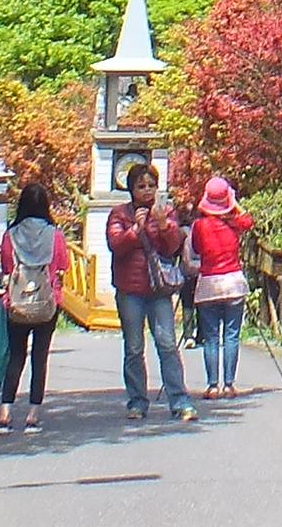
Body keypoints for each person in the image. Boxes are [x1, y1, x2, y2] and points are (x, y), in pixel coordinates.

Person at [105, 161, 196, 422]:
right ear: (131, 189)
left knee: (167, 344)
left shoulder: (165, 211)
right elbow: (116, 245)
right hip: (130, 288)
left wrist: (163, 225)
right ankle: (137, 401)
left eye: (151, 185)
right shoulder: (120, 215)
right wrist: (136, 229)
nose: (146, 191)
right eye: (140, 186)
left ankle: (180, 400)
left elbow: (173, 247)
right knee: (134, 347)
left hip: (158, 289)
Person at [0, 183, 68, 433]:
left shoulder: (10, 235)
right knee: (40, 357)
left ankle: (5, 411)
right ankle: (33, 414)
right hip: (47, 301)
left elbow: (6, 266)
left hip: (16, 301)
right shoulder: (54, 234)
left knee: (16, 356)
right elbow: (63, 264)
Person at [188, 175, 257, 398]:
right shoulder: (234, 223)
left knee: (210, 337)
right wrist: (234, 203)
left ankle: (212, 386)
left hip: (209, 283)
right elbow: (248, 221)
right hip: (233, 283)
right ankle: (229, 385)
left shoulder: (199, 225)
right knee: (231, 336)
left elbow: (197, 250)